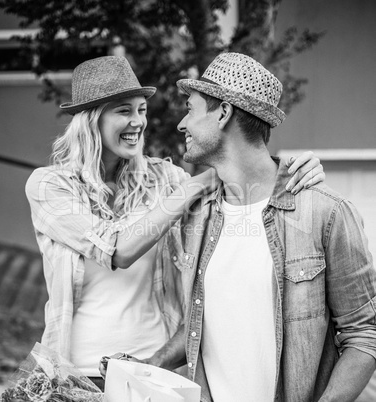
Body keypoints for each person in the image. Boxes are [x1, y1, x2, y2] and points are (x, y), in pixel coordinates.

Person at [25, 55, 324, 391]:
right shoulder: (50, 185)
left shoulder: (164, 179)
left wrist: (291, 168)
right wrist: (194, 185)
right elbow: (116, 249)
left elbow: (242, 176)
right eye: (124, 111)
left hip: (153, 374)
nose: (138, 121)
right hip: (75, 373)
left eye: (142, 110)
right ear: (91, 120)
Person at [109, 52, 376, 402]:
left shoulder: (324, 212)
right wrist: (148, 365)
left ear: (223, 113)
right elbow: (204, 323)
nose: (181, 124)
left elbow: (364, 334)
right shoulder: (197, 216)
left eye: (190, 109)